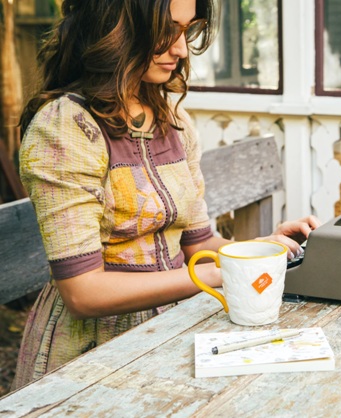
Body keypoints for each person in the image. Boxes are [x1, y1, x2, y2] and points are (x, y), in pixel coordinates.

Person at [12, 0, 320, 390]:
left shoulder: (173, 122)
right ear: (115, 25)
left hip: (175, 324)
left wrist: (266, 248)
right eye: (165, 30)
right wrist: (218, 273)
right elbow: (84, 291)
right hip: (94, 353)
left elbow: (199, 242)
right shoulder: (65, 128)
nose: (181, 49)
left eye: (186, 31)